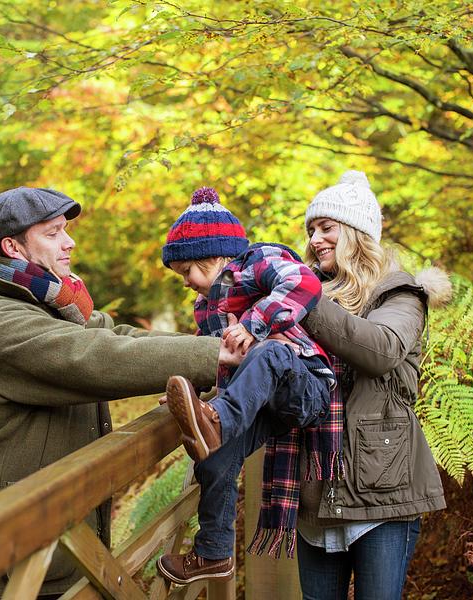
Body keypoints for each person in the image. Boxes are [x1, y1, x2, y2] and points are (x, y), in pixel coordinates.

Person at [0, 186, 235, 600]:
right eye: (54, 232)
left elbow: (117, 335)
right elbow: (97, 355)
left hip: (46, 546)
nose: (69, 241)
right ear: (13, 247)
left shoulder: (54, 302)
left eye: (66, 230)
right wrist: (220, 353)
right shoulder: (2, 322)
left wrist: (214, 351)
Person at [154, 186, 343, 585]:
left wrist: (255, 323)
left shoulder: (255, 262)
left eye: (186, 271)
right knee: (215, 458)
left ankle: (216, 424)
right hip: (261, 405)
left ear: (214, 257)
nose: (185, 282)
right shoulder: (205, 307)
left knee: (268, 354)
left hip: (305, 386)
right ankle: (213, 552)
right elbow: (218, 364)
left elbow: (304, 283)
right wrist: (186, 394)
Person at [293, 170, 450, 600]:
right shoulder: (307, 295)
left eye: (326, 228)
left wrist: (304, 301)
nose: (315, 239)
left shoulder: (400, 295)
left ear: (358, 234)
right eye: (311, 230)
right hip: (316, 490)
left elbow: (380, 350)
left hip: (384, 489)